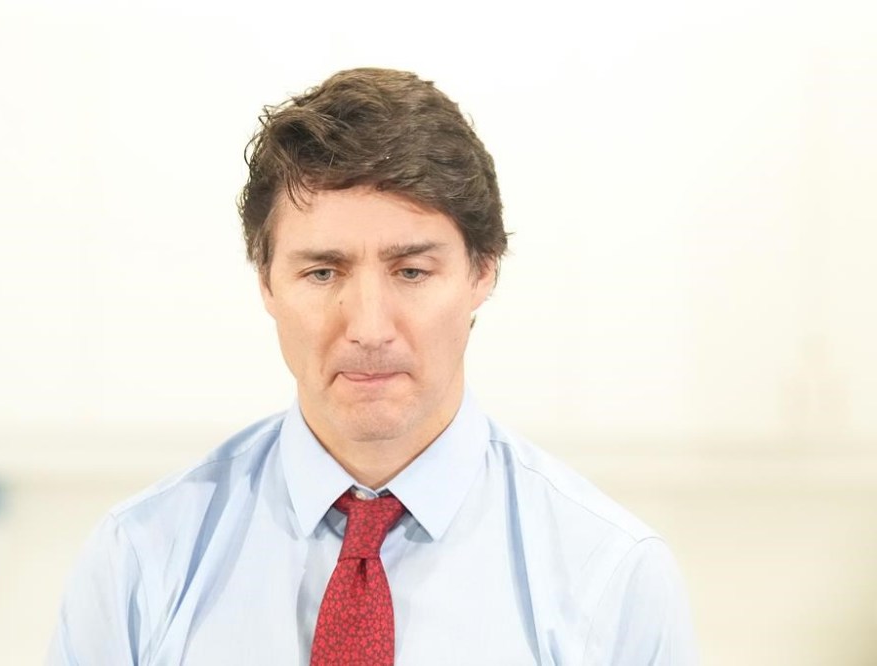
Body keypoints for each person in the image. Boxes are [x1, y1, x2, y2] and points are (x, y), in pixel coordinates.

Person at [49, 68, 698, 665]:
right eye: (322, 271)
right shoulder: (140, 561)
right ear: (266, 283)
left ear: (483, 271)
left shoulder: (612, 580)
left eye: (411, 271)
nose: (366, 328)